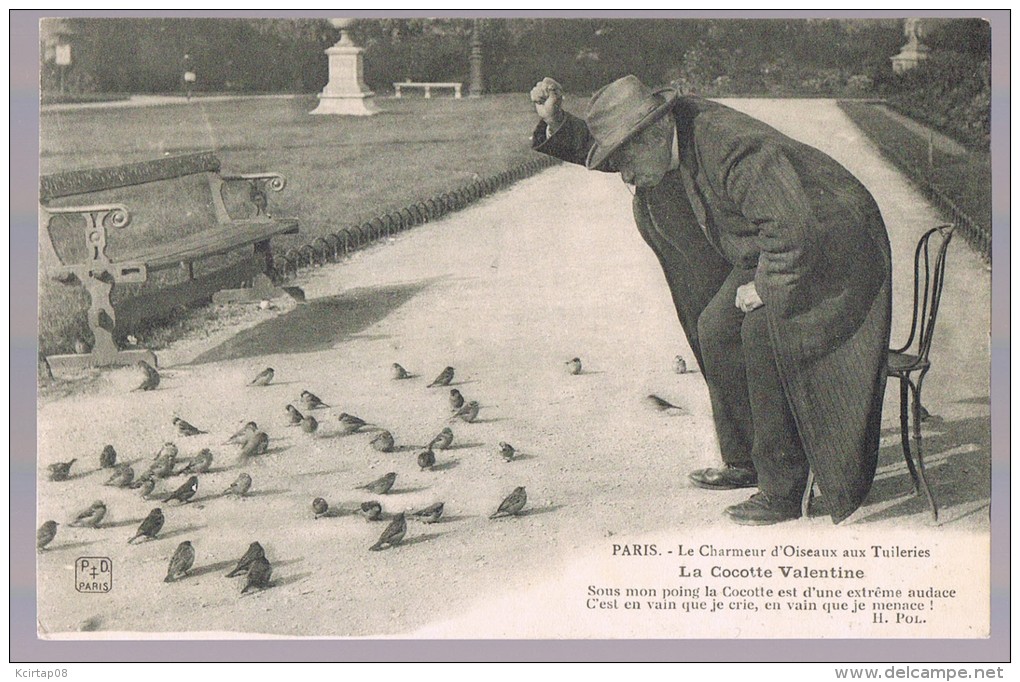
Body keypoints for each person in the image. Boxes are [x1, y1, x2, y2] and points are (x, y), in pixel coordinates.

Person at [530, 75, 891, 525]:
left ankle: (783, 489)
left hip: (834, 248)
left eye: (626, 160)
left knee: (762, 332)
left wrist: (764, 287)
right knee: (715, 328)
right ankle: (746, 461)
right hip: (777, 238)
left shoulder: (731, 146)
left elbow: (795, 231)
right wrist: (559, 122)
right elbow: (617, 148)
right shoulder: (666, 134)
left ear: (657, 132)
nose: (623, 174)